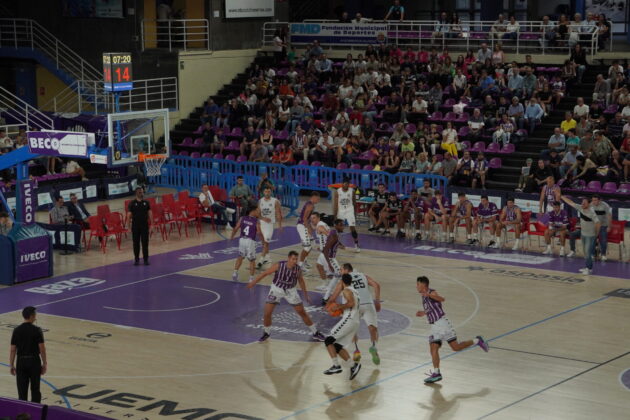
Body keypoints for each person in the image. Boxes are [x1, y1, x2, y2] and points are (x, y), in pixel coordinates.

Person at [416, 276, 488, 383]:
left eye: (418, 284)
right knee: (436, 347)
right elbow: (432, 308)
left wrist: (429, 295)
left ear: (424, 285)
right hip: (436, 326)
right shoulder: (423, 296)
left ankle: (477, 341)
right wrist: (424, 312)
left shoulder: (431, 292)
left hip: (442, 324)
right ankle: (437, 373)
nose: (416, 286)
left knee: (452, 347)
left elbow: (442, 299)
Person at [247, 251, 326, 343]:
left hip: (290, 291)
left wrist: (306, 294)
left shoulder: (297, 269)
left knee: (302, 312)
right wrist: (253, 282)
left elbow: (301, 281)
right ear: (288, 258)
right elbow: (265, 273)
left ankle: (315, 332)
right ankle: (266, 333)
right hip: (277, 289)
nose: (295, 261)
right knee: (267, 313)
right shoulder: (279, 265)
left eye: (296, 259)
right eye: (293, 259)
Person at [329, 263, 381, 365]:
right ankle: (374, 347)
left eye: (341, 270)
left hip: (354, 306)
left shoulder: (344, 280)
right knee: (373, 328)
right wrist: (377, 301)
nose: (340, 272)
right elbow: (376, 285)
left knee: (352, 330)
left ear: (346, 270)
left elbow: (334, 296)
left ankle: (356, 351)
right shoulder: (363, 275)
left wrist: (329, 305)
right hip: (368, 304)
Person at [323, 273, 362, 380]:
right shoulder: (355, 291)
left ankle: (336, 366)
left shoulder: (346, 290)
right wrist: (342, 310)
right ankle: (353, 366)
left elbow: (351, 303)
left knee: (328, 340)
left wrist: (338, 307)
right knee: (337, 346)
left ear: (342, 282)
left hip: (349, 319)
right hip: (354, 320)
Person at [9, 306, 47, 403]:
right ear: (31, 316)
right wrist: (44, 363)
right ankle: (36, 410)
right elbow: (42, 349)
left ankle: (23, 411)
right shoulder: (37, 330)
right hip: (34, 361)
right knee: (35, 390)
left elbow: (13, 350)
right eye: (35, 315)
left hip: (21, 362)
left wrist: (11, 365)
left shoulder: (16, 330)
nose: (36, 317)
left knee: (22, 392)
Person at [562, 196, 599, 275]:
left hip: (590, 236)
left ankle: (589, 269)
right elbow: (570, 202)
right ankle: (587, 267)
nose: (582, 204)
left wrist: (596, 234)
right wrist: (561, 196)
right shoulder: (580, 208)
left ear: (589, 204)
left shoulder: (591, 212)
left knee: (588, 253)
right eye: (582, 202)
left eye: (584, 203)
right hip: (583, 234)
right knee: (585, 252)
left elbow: (598, 223)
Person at [230, 206, 260, 283]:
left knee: (240, 257)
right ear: (252, 211)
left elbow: (236, 228)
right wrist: (263, 240)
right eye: (257, 210)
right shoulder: (256, 221)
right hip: (250, 241)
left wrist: (232, 236)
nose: (258, 212)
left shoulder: (242, 218)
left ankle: (235, 273)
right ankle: (251, 278)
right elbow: (259, 232)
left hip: (242, 240)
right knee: (252, 260)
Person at [319, 218, 345, 304]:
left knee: (336, 276)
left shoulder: (335, 233)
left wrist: (340, 244)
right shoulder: (334, 235)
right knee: (341, 275)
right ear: (336, 225)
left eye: (343, 225)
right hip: (329, 258)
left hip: (329, 257)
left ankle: (326, 297)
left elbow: (334, 242)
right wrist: (329, 264)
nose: (343, 227)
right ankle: (342, 298)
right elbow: (326, 249)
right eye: (341, 225)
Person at [257, 187, 282, 270]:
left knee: (266, 242)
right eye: (266, 191)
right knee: (264, 243)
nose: (267, 192)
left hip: (269, 224)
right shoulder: (260, 201)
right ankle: (267, 258)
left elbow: (278, 213)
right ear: (263, 192)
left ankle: (261, 260)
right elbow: (258, 214)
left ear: (271, 192)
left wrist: (280, 225)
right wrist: (262, 219)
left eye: (269, 191)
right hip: (262, 223)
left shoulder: (275, 201)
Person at [333, 179, 360, 252]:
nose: (346, 185)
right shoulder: (337, 191)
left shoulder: (352, 191)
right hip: (341, 210)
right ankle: (337, 244)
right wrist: (335, 215)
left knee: (352, 227)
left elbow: (354, 203)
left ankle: (356, 245)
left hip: (349, 210)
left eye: (347, 184)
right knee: (338, 228)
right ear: (342, 184)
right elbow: (335, 204)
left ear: (349, 184)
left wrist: (355, 213)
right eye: (345, 184)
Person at [127, 187, 152, 266]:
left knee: (145, 243)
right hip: (135, 226)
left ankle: (145, 259)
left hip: (144, 225)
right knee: (136, 243)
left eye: (142, 192)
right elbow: (128, 216)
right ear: (136, 193)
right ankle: (136, 259)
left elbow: (150, 213)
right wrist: (128, 227)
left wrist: (152, 225)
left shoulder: (146, 203)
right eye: (140, 192)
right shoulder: (132, 203)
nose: (142, 194)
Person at [296, 191, 320, 270]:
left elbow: (307, 218)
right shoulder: (310, 205)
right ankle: (300, 265)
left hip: (304, 225)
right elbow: (304, 218)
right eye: (318, 199)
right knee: (307, 247)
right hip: (302, 226)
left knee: (312, 244)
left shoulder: (310, 204)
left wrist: (312, 227)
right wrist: (309, 229)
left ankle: (304, 261)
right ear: (314, 197)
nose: (318, 200)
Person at [590, 195, 612, 261]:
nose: (593, 201)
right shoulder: (591, 205)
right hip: (594, 225)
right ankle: (592, 255)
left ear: (599, 200)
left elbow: (609, 216)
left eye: (595, 200)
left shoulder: (605, 206)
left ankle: (603, 255)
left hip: (603, 225)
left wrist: (609, 226)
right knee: (592, 240)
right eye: (592, 200)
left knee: (603, 240)